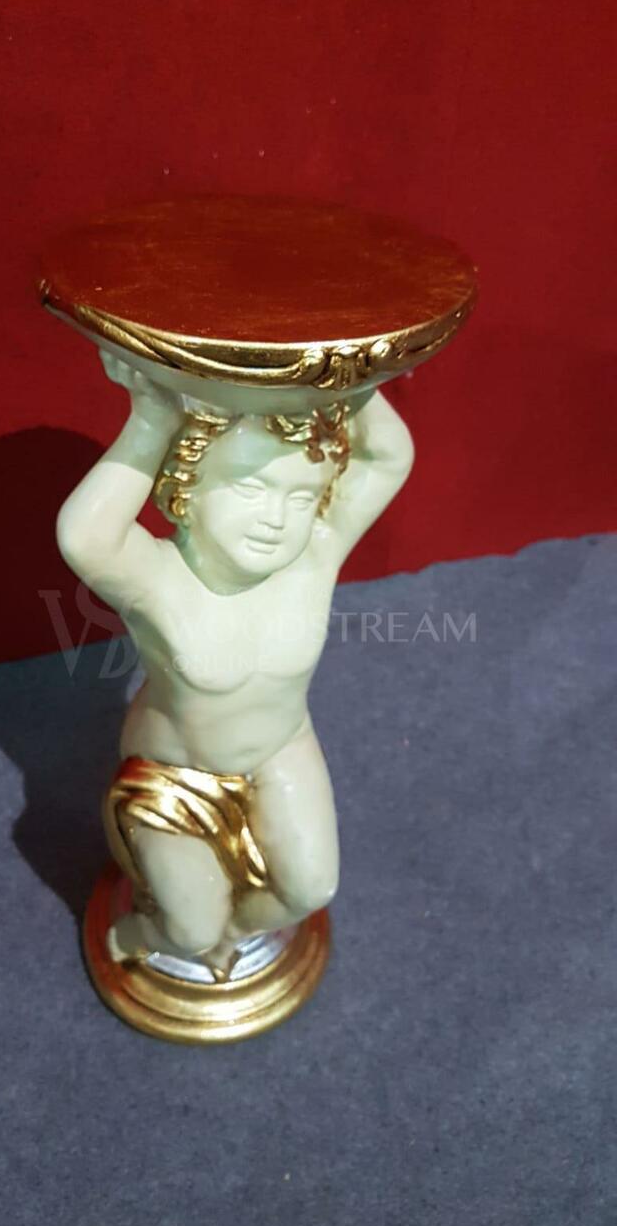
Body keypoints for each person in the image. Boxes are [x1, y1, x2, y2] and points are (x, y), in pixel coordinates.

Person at [57, 351, 414, 976]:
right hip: (175, 777)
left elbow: (386, 459)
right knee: (188, 928)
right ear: (187, 489)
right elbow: (86, 536)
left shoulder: (315, 555)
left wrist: (352, 380)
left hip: (281, 749)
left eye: (301, 497)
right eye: (250, 487)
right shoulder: (158, 579)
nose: (276, 518)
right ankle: (154, 932)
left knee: (310, 890)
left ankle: (230, 930)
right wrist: (151, 423)